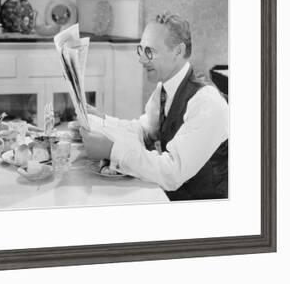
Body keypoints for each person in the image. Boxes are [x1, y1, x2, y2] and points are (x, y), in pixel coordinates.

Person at [81, 12, 228, 201]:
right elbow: (143, 130)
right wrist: (101, 120)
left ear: (178, 51)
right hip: (171, 198)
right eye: (140, 50)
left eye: (150, 51)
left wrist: (112, 150)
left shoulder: (207, 103)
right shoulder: (163, 90)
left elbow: (172, 172)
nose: (141, 60)